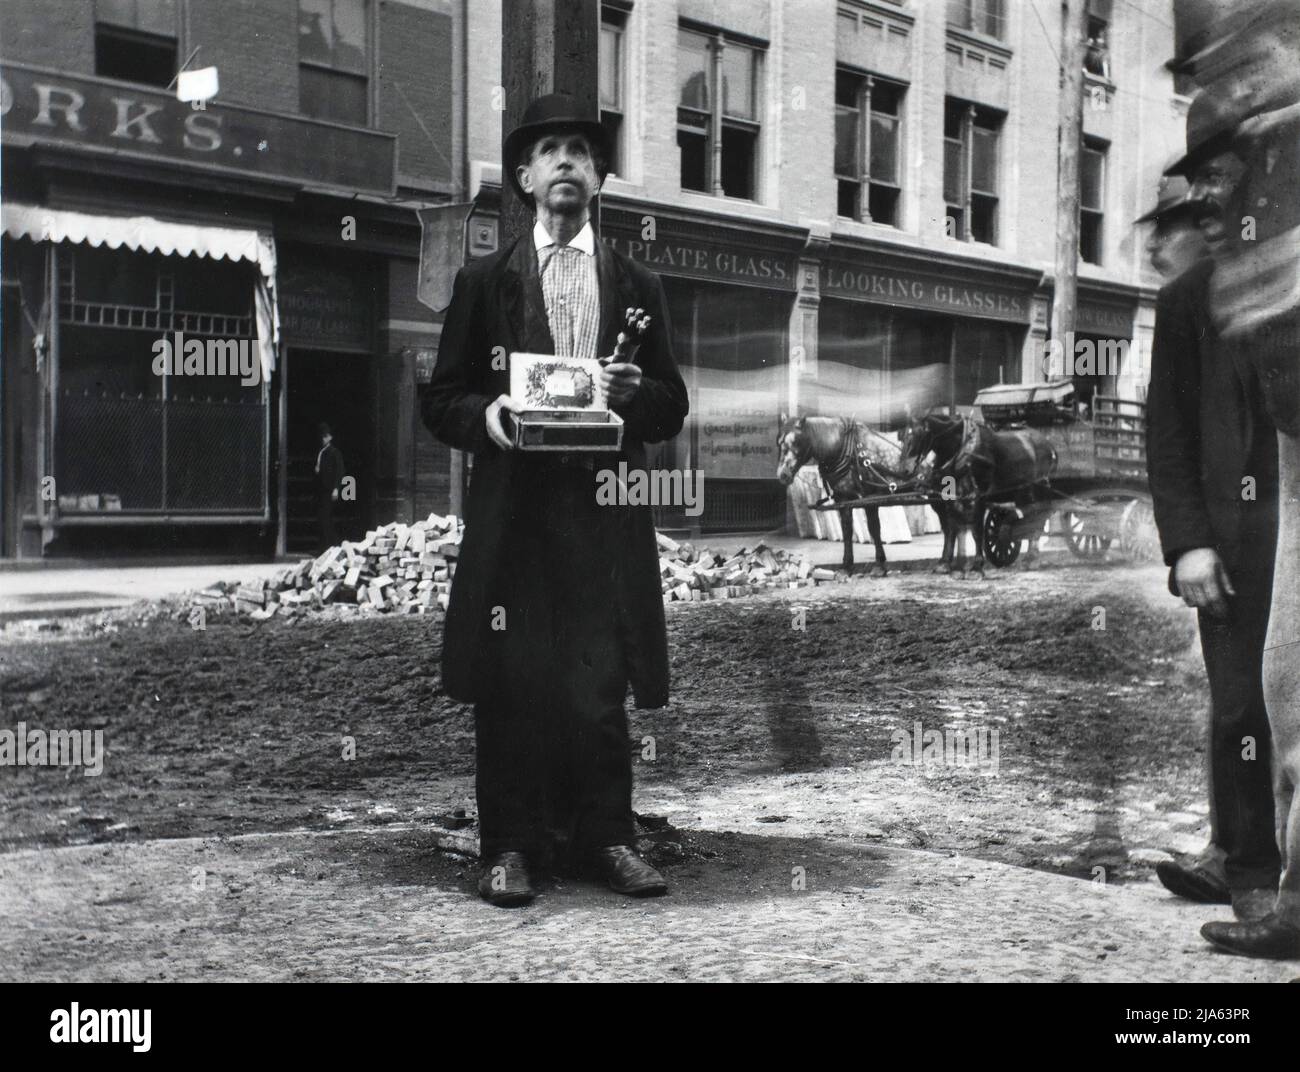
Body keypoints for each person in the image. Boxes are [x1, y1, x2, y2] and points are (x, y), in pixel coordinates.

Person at [420, 94, 688, 907]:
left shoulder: (637, 280)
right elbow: (442, 399)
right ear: (525, 176)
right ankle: (507, 847)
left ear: (600, 176)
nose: (567, 161)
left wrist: (639, 395)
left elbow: (672, 403)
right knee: (510, 678)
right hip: (517, 517)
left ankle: (609, 835)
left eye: (583, 149)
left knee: (598, 679)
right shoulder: (483, 280)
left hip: (603, 514)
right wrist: (489, 414)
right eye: (551, 151)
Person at [1145, 89, 1281, 926]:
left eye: (1247, 175)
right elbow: (1169, 437)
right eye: (1217, 182)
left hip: (1292, 531)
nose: (1233, 196)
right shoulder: (1188, 301)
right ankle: (1246, 865)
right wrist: (1187, 544)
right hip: (1232, 545)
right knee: (1238, 701)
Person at [315, 422, 345, 551]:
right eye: (322, 436)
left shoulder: (334, 453)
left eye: (325, 436)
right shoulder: (321, 452)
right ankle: (325, 546)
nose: (323, 439)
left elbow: (340, 471)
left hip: (330, 490)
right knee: (323, 519)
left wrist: (336, 489)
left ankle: (332, 546)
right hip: (322, 490)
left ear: (330, 437)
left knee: (327, 518)